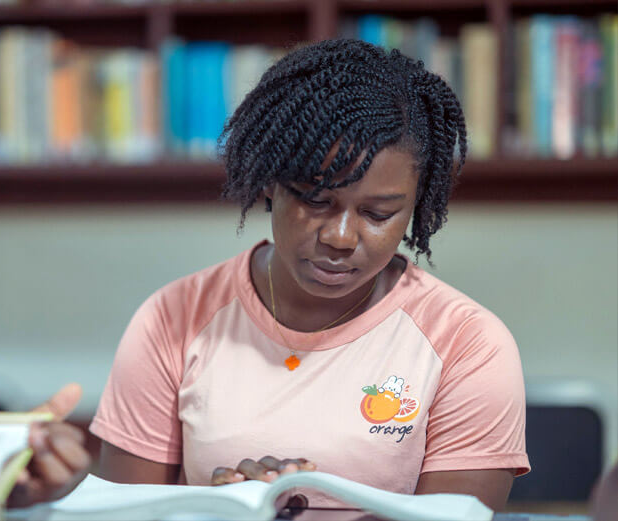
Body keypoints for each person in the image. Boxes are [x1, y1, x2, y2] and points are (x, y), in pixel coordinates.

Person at [28, 38, 531, 512]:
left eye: (378, 215)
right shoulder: (173, 319)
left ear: (416, 208)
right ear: (272, 183)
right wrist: (220, 514)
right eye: (315, 200)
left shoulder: (469, 345)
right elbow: (128, 514)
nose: (340, 236)